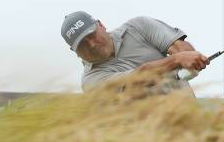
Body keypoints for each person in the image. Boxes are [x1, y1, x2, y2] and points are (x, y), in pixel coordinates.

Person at [61, 11, 209, 95]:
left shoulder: (138, 27)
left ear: (101, 25)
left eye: (91, 35)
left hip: (191, 124)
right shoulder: (91, 82)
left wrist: (190, 59)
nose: (91, 44)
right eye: (82, 44)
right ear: (75, 52)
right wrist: (177, 60)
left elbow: (181, 49)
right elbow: (138, 77)